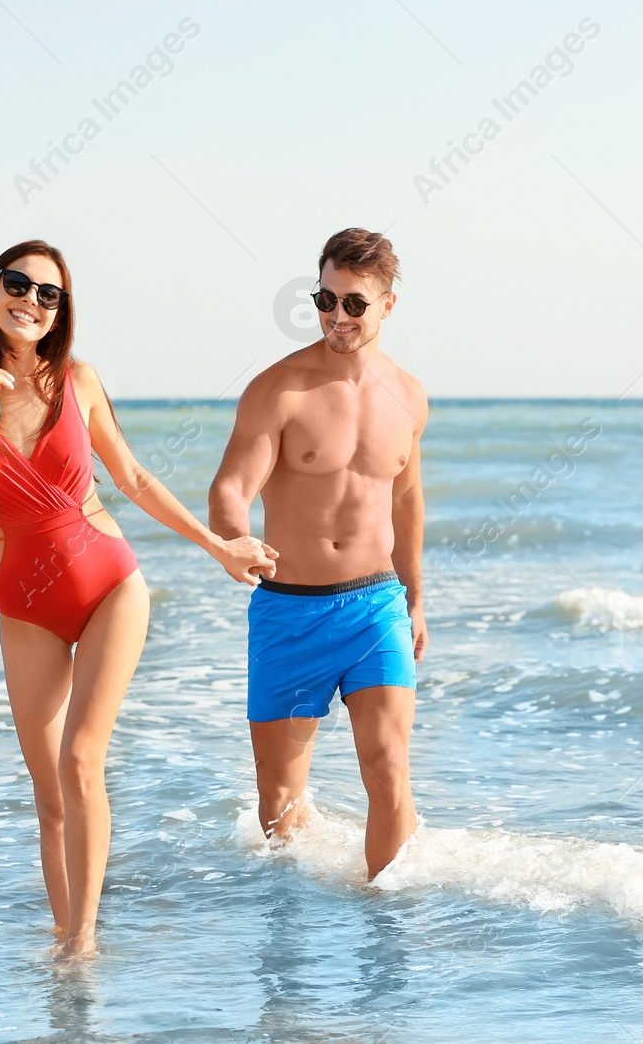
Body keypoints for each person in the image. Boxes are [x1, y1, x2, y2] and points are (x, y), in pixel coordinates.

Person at [0, 239, 276, 955]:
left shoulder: (78, 380)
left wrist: (218, 545)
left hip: (108, 582)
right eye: (18, 284)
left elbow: (135, 478)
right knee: (50, 794)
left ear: (61, 311)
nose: (31, 301)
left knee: (82, 757)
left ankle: (83, 942)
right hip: (24, 604)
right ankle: (64, 940)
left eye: (48, 293)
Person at [208, 227, 428, 881]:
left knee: (387, 766)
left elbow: (407, 501)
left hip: (375, 605)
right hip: (289, 610)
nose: (337, 316)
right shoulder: (281, 389)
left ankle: (390, 931)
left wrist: (417, 599)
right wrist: (231, 536)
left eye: (354, 303)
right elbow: (231, 485)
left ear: (387, 305)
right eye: (325, 300)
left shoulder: (408, 395)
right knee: (278, 802)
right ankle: (288, 938)